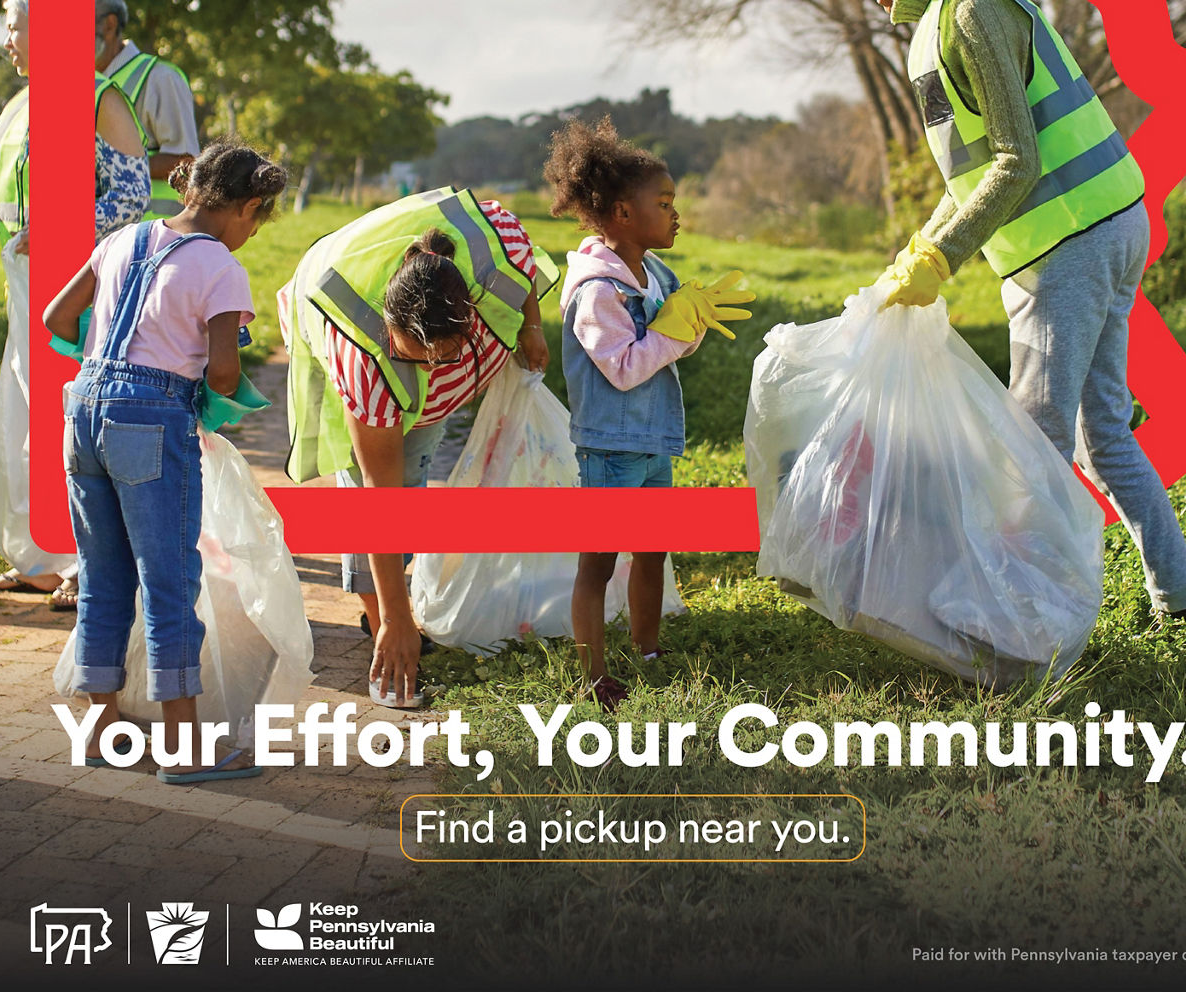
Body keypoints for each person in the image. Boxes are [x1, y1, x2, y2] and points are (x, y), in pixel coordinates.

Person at [836, 0, 1186, 625]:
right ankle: (1182, 598)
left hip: (1068, 245)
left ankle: (1019, 618)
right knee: (1102, 432)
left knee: (1030, 445)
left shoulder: (967, 12)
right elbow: (976, 172)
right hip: (1106, 225)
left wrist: (943, 256)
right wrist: (920, 246)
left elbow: (1017, 161)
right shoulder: (950, 9)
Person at [43, 142, 287, 781]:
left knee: (102, 576)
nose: (251, 235)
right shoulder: (221, 266)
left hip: (81, 413)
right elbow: (225, 372)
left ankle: (99, 730)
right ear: (249, 206)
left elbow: (56, 317)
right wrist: (209, 400)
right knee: (170, 581)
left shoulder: (123, 239)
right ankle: (183, 747)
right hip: (151, 423)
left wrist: (106, 362)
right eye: (257, 221)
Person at [281, 187, 555, 705]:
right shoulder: (362, 358)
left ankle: (391, 613)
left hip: (432, 318)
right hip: (323, 304)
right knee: (376, 488)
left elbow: (521, 275)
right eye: (414, 359)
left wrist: (532, 327)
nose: (429, 370)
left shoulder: (498, 252)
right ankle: (382, 626)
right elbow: (379, 499)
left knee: (415, 477)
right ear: (391, 327)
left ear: (470, 315)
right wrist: (396, 619)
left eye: (443, 358)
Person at [545, 117, 754, 709]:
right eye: (663, 204)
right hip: (612, 446)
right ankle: (593, 674)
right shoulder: (597, 291)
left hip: (652, 440)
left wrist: (691, 320)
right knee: (598, 561)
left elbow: (672, 347)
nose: (675, 214)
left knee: (652, 549)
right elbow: (624, 368)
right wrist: (671, 330)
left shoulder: (655, 272)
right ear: (621, 213)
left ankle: (648, 650)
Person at [0, 0, 151, 604]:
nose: (7, 41)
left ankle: (86, 561)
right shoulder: (20, 104)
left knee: (70, 420)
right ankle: (36, 555)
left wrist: (59, 230)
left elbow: (132, 196)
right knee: (20, 417)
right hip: (23, 280)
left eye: (14, 27)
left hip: (77, 283)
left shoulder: (97, 96)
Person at [95, 0, 201, 219]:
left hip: (152, 232)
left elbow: (186, 161)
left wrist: (105, 167)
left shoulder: (161, 78)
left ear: (109, 25)